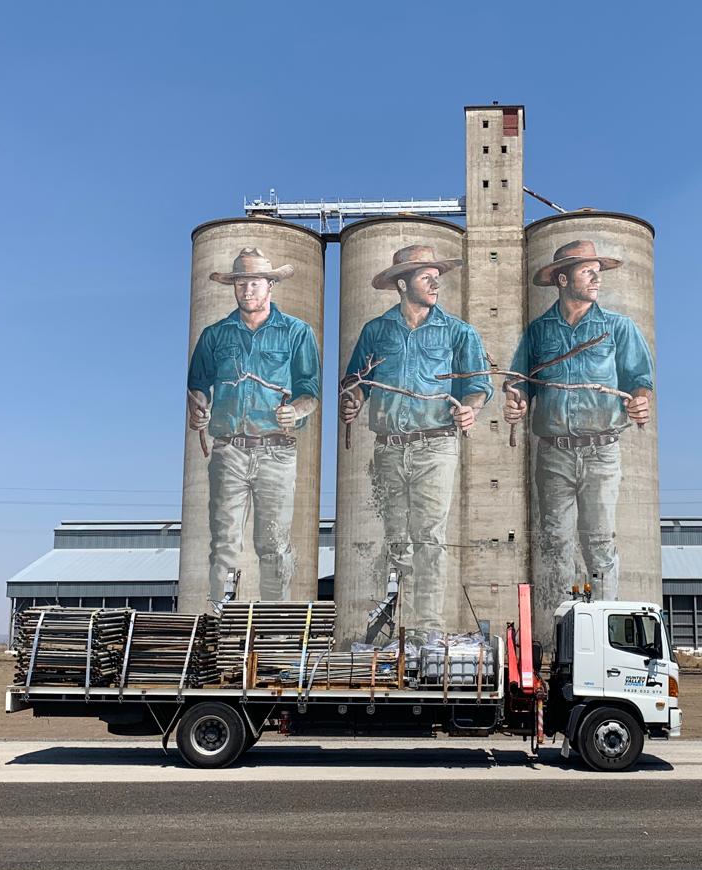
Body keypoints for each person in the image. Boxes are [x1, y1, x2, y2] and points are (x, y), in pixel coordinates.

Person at [341, 244, 491, 634]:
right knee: (395, 538)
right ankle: (396, 629)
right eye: (426, 275)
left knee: (428, 537)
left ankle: (428, 629)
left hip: (436, 445)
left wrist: (470, 407)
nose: (435, 281)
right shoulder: (375, 331)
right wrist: (353, 400)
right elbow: (357, 381)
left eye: (436, 274)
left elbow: (477, 385)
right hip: (388, 448)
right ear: (403, 283)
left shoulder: (459, 332)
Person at [504, 239, 654, 607]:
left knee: (599, 542)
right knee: (555, 543)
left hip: (602, 451)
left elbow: (640, 379)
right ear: (562, 279)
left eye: (597, 271)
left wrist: (640, 402)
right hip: (553, 455)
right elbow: (519, 379)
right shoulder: (538, 332)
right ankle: (564, 628)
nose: (595, 278)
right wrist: (517, 400)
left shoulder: (619, 328)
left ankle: (602, 626)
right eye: (587, 271)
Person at [187, 248, 320, 604]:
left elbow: (310, 391)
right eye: (241, 283)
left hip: (276, 452)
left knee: (274, 543)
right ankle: (223, 628)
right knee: (224, 542)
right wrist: (198, 406)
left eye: (255, 283)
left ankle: (272, 631)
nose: (248, 290)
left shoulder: (297, 333)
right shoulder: (214, 335)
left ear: (270, 285)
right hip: (228, 451)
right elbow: (197, 384)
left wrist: (297, 411)